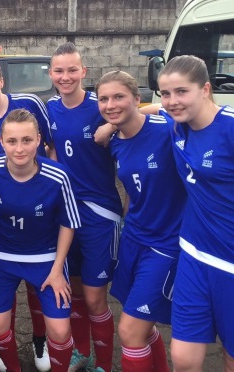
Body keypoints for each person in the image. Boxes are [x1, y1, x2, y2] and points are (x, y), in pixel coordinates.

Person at [0, 108, 80, 372]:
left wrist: (57, 270)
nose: (19, 149)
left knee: (59, 329)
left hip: (45, 259)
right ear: (1, 142)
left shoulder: (58, 176)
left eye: (27, 140)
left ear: (39, 140)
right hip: (1, 258)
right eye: (12, 141)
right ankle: (13, 367)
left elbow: (68, 224)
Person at [0, 56, 51, 372]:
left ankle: (40, 340)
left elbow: (51, 149)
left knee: (37, 283)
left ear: (2, 81)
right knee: (5, 282)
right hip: (1, 216)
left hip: (41, 212)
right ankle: (8, 348)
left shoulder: (29, 103)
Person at [96, 71, 184, 372]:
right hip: (133, 238)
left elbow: (168, 111)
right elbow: (134, 189)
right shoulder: (116, 141)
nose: (110, 104)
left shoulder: (168, 130)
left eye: (119, 96)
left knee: (130, 332)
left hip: (166, 244)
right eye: (103, 99)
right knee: (142, 327)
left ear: (136, 98)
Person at [46, 42, 122, 372]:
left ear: (83, 72)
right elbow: (49, 147)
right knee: (74, 292)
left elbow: (147, 108)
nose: (66, 77)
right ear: (50, 74)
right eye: (59, 71)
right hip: (66, 215)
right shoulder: (49, 108)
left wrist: (112, 125)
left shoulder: (100, 106)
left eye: (72, 70)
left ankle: (104, 363)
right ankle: (82, 353)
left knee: (94, 298)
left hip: (99, 213)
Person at [158, 55, 234, 372]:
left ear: (205, 89)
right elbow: (149, 112)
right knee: (184, 359)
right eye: (165, 93)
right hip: (192, 254)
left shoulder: (229, 128)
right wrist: (109, 125)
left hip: (230, 264)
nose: (173, 101)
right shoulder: (178, 127)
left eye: (181, 92)